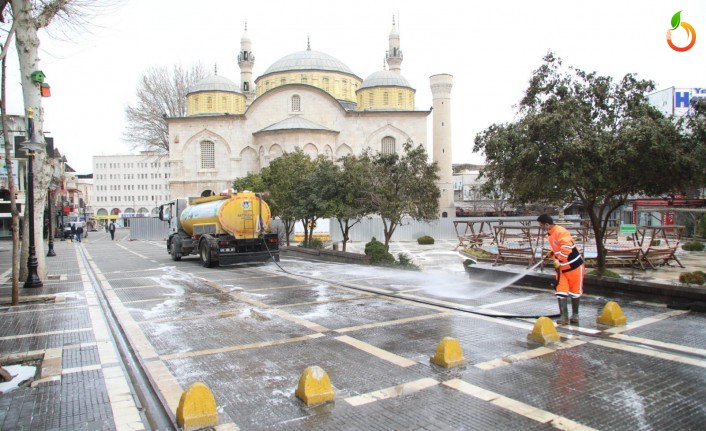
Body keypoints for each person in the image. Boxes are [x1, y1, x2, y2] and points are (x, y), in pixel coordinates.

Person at [537, 214, 585, 325]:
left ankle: (575, 315)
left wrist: (560, 260)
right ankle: (564, 317)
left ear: (547, 224)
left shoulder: (561, 231)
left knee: (575, 291)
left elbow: (567, 248)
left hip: (574, 267)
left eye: (541, 225)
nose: (541, 227)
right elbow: (559, 248)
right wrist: (552, 253)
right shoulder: (550, 234)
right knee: (561, 291)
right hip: (562, 269)